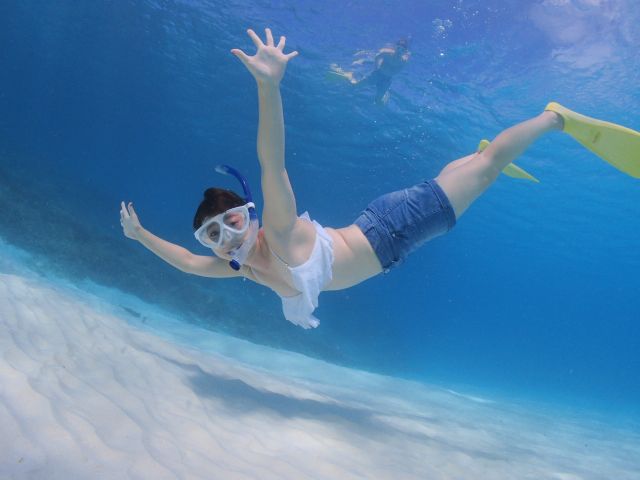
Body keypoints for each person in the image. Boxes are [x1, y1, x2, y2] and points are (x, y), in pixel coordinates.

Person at [121, 28, 640, 329]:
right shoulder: (246, 271)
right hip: (389, 235)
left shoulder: (276, 231)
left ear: (248, 213)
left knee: (485, 175)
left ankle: (554, 119)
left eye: (229, 221)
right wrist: (140, 235)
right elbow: (188, 263)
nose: (224, 237)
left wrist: (269, 87)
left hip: (391, 229)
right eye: (212, 234)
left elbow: (271, 161)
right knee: (448, 185)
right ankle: (475, 155)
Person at [329, 38, 411, 104]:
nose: (399, 51)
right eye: (398, 48)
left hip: (387, 80)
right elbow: (377, 57)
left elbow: (400, 68)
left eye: (402, 50)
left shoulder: (404, 61)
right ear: (395, 47)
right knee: (354, 86)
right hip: (377, 74)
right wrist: (376, 68)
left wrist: (390, 75)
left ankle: (385, 93)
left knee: (378, 101)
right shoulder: (386, 53)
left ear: (404, 52)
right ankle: (349, 75)